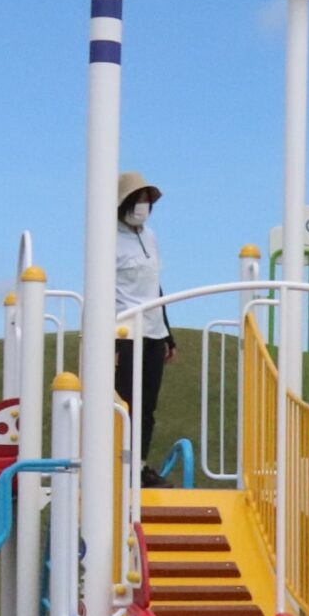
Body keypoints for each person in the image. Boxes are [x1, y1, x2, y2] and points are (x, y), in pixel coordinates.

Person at [112, 172, 175, 482]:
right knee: (125, 402)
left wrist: (168, 333)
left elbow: (154, 285)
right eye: (137, 199)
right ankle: (117, 466)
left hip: (153, 330)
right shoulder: (108, 238)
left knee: (148, 406)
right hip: (124, 332)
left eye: (147, 200)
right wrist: (110, 343)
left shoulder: (150, 236)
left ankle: (138, 464)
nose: (143, 206)